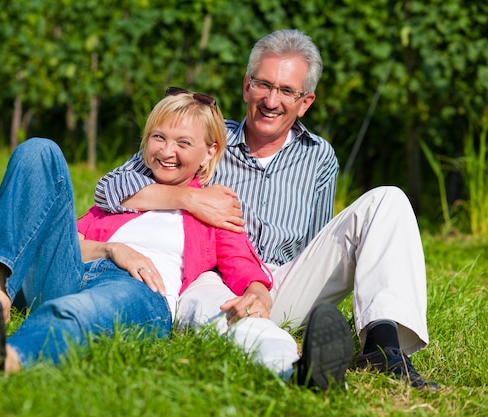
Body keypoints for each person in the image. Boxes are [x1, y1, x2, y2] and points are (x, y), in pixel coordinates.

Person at [93, 30, 439, 391]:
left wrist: (269, 287)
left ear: (305, 102)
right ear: (246, 87)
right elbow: (109, 190)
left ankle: (384, 348)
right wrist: (188, 199)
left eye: (287, 91)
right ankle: (293, 365)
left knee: (389, 199)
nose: (271, 100)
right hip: (212, 274)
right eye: (263, 85)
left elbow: (316, 240)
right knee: (219, 304)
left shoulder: (319, 156)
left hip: (283, 280)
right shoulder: (206, 139)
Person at [0, 88, 353, 390]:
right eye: (158, 138)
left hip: (139, 291)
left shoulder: (215, 207)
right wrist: (112, 248)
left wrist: (255, 290)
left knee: (83, 312)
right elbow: (60, 238)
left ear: (208, 152)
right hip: (72, 271)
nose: (167, 152)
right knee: (38, 150)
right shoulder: (126, 193)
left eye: (183, 144)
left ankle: (8, 356)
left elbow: (242, 261)